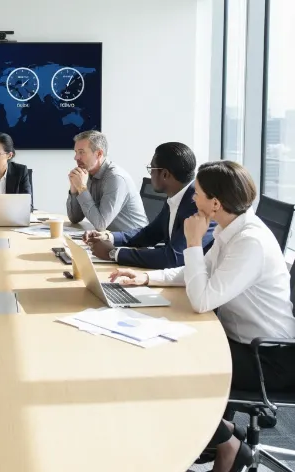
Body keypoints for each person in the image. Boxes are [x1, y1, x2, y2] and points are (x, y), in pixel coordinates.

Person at [110, 161, 295, 472]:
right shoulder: (232, 229)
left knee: (172, 366)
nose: (193, 199)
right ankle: (225, 434)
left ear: (216, 203)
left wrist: (194, 241)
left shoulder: (250, 241)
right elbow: (199, 271)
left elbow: (202, 299)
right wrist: (147, 279)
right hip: (242, 342)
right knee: (165, 352)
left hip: (270, 359)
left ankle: (228, 444)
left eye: (197, 194)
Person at [85, 142, 215, 268]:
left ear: (165, 174)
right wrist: (109, 237)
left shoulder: (198, 204)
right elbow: (150, 234)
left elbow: (173, 258)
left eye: (151, 168)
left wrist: (113, 253)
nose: (150, 173)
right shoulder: (176, 196)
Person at [66, 130, 148, 232]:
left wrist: (82, 188)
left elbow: (100, 225)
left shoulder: (115, 178)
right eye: (76, 152)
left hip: (133, 243)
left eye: (81, 152)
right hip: (109, 238)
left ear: (99, 154)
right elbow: (75, 218)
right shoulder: (88, 174)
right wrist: (74, 188)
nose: (76, 157)